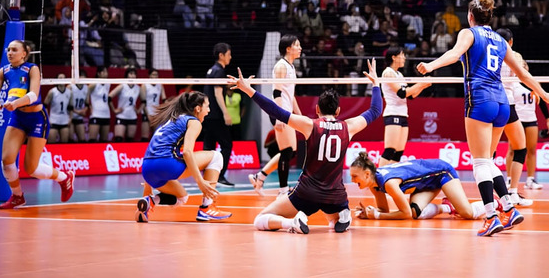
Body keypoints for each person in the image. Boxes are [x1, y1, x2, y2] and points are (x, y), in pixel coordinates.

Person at [417, 0, 549, 236]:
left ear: (470, 16)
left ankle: (491, 216)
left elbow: (454, 54)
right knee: (488, 161)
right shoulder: (501, 40)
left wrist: (430, 66)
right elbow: (522, 74)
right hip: (502, 104)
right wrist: (543, 93)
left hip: (480, 100)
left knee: (480, 162)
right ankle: (509, 208)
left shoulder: (469, 33)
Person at [229, 60, 382, 234]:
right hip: (335, 195)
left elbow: (275, 111)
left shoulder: (310, 125)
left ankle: (292, 222)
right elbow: (375, 110)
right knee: (333, 222)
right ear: (338, 111)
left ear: (317, 109)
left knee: (260, 219)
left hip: (307, 193)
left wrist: (248, 89)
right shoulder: (349, 126)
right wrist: (375, 84)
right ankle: (342, 214)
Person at [0, 40, 75, 209]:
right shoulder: (4, 71)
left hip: (36, 118)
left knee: (31, 169)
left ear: (24, 54)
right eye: (8, 50)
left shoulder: (32, 69)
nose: (10, 53)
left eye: (14, 50)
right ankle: (17, 196)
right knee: (6, 160)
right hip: (18, 117)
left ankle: (64, 178)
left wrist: (16, 103)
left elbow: (33, 95)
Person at [135, 91, 231, 223]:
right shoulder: (193, 122)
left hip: (147, 168)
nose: (209, 110)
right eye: (207, 106)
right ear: (198, 108)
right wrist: (200, 181)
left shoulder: (170, 120)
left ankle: (151, 201)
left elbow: (155, 151)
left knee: (182, 198)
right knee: (217, 156)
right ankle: (207, 207)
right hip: (167, 164)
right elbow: (187, 152)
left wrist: (148, 184)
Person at [350, 153, 488, 221]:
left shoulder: (389, 183)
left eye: (355, 176)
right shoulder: (374, 184)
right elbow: (384, 209)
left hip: (441, 172)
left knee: (468, 213)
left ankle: (494, 203)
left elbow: (405, 214)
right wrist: (369, 213)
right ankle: (447, 207)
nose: (352, 180)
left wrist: (377, 216)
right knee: (416, 212)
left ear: (367, 174)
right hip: (425, 184)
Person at [248, 35, 303, 195]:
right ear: (288, 49)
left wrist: (300, 116)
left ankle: (260, 176)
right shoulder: (281, 66)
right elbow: (277, 92)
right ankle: (283, 190)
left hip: (287, 113)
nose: (300, 48)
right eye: (297, 45)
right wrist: (279, 116)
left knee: (291, 152)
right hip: (280, 112)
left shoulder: (291, 67)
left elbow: (290, 95)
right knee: (287, 151)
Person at [494, 28, 532, 207]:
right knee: (520, 149)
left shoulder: (488, 54)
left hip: (490, 102)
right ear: (511, 42)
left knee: (489, 154)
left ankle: (498, 195)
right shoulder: (514, 55)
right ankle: (511, 193)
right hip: (507, 104)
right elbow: (523, 74)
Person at [378, 47, 431, 166]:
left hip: (403, 114)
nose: (404, 58)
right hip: (393, 113)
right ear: (394, 57)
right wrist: (420, 84)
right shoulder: (388, 73)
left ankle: (392, 175)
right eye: (402, 55)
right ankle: (380, 175)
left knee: (398, 152)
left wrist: (423, 86)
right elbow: (402, 93)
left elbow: (411, 95)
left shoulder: (399, 74)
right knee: (390, 150)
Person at [510, 78, 549, 190]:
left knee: (532, 150)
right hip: (517, 119)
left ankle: (530, 180)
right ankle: (509, 179)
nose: (525, 68)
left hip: (531, 119)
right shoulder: (512, 82)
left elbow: (542, 100)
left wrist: (548, 119)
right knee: (512, 150)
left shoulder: (533, 82)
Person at [202, 43, 235, 186]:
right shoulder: (219, 71)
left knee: (209, 146)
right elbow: (217, 93)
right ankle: (219, 176)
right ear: (221, 55)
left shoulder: (211, 70)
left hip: (208, 115)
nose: (230, 57)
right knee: (227, 145)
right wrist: (226, 113)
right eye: (228, 54)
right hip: (216, 115)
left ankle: (207, 177)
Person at [109, 67, 140, 142]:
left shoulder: (138, 88)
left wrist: (138, 110)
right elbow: (109, 97)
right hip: (121, 116)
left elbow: (144, 101)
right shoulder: (122, 86)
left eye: (134, 74)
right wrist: (114, 110)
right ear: (127, 75)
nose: (133, 76)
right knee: (118, 139)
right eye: (131, 74)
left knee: (130, 140)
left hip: (132, 117)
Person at [45, 73, 72, 143]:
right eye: (60, 78)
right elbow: (45, 106)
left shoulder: (69, 92)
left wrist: (70, 119)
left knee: (65, 142)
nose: (62, 80)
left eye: (64, 78)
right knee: (51, 142)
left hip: (64, 120)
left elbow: (70, 107)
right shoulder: (52, 92)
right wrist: (47, 119)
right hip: (53, 120)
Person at [140, 68, 166, 141]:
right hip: (146, 113)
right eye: (153, 75)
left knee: (156, 136)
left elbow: (164, 100)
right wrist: (148, 115)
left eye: (156, 75)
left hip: (156, 114)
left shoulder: (160, 85)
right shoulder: (144, 85)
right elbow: (143, 102)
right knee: (145, 137)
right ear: (149, 76)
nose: (155, 76)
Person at [86, 66, 111, 142]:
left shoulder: (108, 83)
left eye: (106, 71)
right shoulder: (94, 84)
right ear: (98, 73)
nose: (106, 73)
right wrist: (89, 106)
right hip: (96, 114)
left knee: (104, 140)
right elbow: (85, 93)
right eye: (103, 71)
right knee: (92, 140)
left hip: (106, 114)